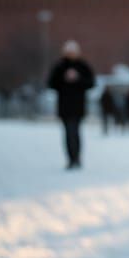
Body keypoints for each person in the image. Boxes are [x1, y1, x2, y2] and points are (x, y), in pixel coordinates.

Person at [46, 39, 96, 170]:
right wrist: (64, 79)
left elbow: (91, 83)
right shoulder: (60, 67)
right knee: (68, 133)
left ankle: (77, 158)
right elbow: (51, 84)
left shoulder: (83, 66)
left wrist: (78, 79)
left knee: (76, 132)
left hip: (79, 106)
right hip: (64, 106)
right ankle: (70, 158)